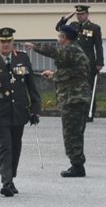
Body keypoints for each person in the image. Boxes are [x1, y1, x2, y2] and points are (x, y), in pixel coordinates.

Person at [28, 23, 93, 177]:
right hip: (75, 98)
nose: (58, 40)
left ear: (65, 38)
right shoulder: (75, 51)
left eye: (59, 37)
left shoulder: (71, 49)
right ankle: (77, 163)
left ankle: (77, 166)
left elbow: (55, 53)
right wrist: (54, 74)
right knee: (75, 133)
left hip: (74, 99)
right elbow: (73, 72)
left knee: (72, 133)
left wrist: (35, 47)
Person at [0, 27, 41, 197]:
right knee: (5, 146)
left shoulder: (22, 58)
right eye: (2, 41)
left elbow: (31, 85)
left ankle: (11, 176)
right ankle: (6, 181)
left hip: (19, 110)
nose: (6, 44)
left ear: (13, 42)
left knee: (16, 146)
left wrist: (35, 109)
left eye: (9, 41)